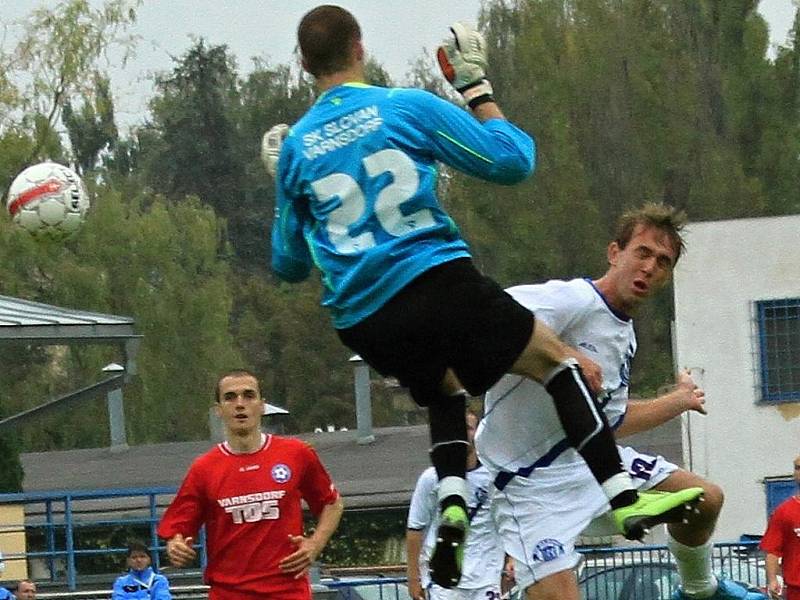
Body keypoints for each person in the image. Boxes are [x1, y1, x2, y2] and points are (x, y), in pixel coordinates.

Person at [267, 5, 698, 587]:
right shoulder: (401, 108)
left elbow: (288, 263)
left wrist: (286, 188)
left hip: (364, 318)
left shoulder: (296, 150)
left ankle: (451, 501)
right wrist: (476, 88)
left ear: (302, 65)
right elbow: (512, 160)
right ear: (359, 49)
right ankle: (622, 496)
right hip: (433, 277)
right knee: (557, 363)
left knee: (444, 386)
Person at [476, 203, 759, 600]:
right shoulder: (574, 300)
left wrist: (677, 401)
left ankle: (699, 591)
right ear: (615, 253)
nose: (649, 267)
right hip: (529, 485)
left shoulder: (624, 335)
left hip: (588, 463)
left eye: (663, 261)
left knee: (704, 500)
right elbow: (486, 315)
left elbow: (611, 421)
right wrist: (564, 355)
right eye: (642, 253)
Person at [157, 369, 344, 600]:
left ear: (262, 405)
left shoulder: (296, 454)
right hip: (229, 593)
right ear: (219, 410)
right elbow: (179, 525)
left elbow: (332, 503)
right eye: (230, 397)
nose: (240, 404)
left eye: (248, 395)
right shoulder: (204, 468)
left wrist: (315, 544)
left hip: (287, 591)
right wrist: (175, 545)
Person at [406, 407, 505, 600]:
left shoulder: (494, 477)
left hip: (486, 579)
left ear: (478, 433)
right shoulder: (431, 478)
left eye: (468, 428)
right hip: (444, 582)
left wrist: (511, 559)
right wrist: (413, 577)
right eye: (458, 428)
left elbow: (506, 521)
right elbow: (414, 530)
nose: (463, 433)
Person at [760, 455, 800, 600]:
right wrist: (772, 579)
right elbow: (773, 550)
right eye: (797, 468)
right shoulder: (784, 512)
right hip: (796, 590)